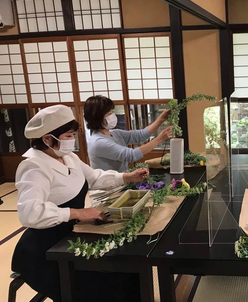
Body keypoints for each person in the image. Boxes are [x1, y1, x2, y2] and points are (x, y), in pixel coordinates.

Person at [12, 104, 149, 302]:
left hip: (71, 235)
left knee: (127, 269)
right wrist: (78, 213)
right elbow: (30, 213)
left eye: (73, 134)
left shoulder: (69, 158)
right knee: (104, 282)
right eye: (68, 136)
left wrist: (128, 177)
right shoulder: (33, 166)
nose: (73, 140)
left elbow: (94, 177)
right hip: (45, 249)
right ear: (47, 139)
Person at [84, 95, 172, 172]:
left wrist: (161, 119)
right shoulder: (98, 142)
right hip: (109, 188)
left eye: (112, 112)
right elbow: (131, 155)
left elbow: (140, 135)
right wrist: (159, 139)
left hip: (119, 183)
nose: (113, 115)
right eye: (109, 114)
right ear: (97, 118)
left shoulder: (114, 133)